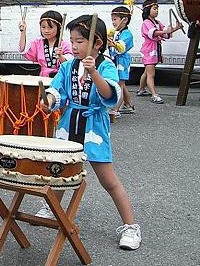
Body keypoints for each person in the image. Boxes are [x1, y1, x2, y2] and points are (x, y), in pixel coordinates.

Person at [41, 14, 141, 250]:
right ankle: (51, 207)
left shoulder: (106, 65)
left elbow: (109, 95)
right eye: (72, 41)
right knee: (60, 170)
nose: (74, 46)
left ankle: (130, 226)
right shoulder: (68, 66)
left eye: (79, 41)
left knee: (108, 180)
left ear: (97, 43)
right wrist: (48, 100)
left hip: (93, 125)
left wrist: (94, 72)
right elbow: (57, 90)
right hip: (69, 122)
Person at [136, 0, 182, 104]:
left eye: (157, 9)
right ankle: (154, 95)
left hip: (155, 49)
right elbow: (155, 33)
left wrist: (176, 28)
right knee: (151, 74)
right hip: (149, 50)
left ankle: (141, 89)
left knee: (147, 72)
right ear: (148, 10)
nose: (157, 11)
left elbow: (165, 33)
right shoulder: (146, 22)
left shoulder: (157, 22)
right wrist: (167, 31)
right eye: (154, 8)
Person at [19, 10, 73, 77]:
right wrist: (23, 31)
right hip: (44, 77)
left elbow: (69, 63)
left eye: (50, 27)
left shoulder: (65, 45)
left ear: (59, 28)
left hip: (61, 77)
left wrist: (60, 56)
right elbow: (23, 49)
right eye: (43, 27)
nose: (46, 31)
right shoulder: (38, 43)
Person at [107, 6, 135, 118]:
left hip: (122, 61)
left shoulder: (127, 33)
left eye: (115, 19)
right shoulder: (116, 32)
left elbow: (121, 47)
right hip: (115, 60)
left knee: (119, 85)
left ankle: (115, 109)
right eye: (112, 19)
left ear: (124, 20)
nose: (113, 22)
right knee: (121, 84)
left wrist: (113, 44)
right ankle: (128, 105)